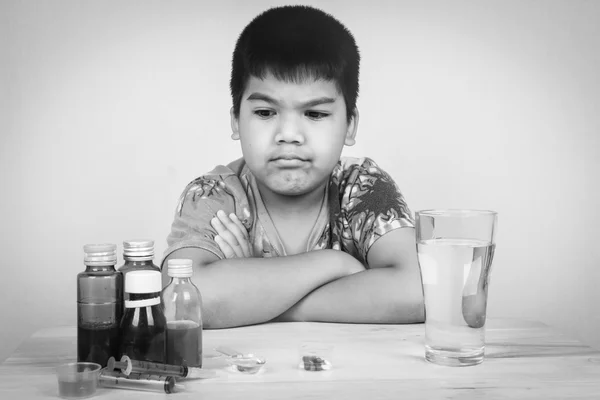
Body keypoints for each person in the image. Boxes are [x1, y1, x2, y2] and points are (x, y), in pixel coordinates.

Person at [162, 5, 424, 328]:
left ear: (350, 125)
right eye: (265, 112)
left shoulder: (363, 188)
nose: (288, 135)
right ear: (235, 120)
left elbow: (419, 290)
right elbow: (180, 303)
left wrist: (254, 301)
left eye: (314, 114)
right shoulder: (214, 196)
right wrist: (334, 264)